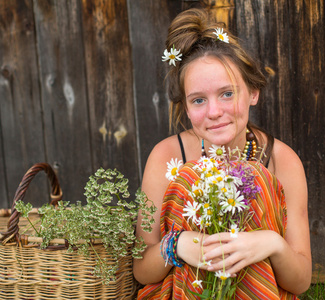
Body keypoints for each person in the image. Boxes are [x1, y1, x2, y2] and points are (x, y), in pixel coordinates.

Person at [133, 8, 311, 300]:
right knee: (189, 176)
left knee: (259, 180)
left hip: (260, 290)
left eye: (227, 94)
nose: (214, 112)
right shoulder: (167, 156)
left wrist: (271, 243)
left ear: (253, 92)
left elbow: (301, 281)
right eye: (199, 100)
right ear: (186, 108)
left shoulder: (282, 160)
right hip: (189, 291)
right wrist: (176, 245)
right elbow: (141, 271)